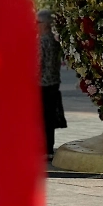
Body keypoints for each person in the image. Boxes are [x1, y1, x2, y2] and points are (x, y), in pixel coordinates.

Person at [38, 10, 67, 162]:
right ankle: (48, 149)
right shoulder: (55, 42)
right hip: (54, 84)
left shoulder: (41, 42)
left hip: (40, 85)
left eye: (38, 23)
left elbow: (38, 65)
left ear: (45, 25)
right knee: (49, 119)